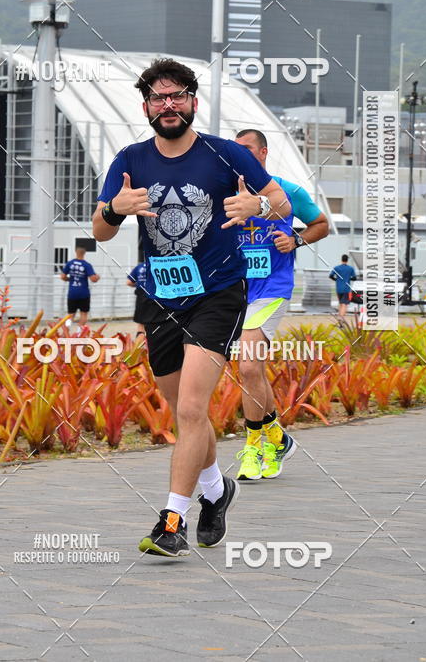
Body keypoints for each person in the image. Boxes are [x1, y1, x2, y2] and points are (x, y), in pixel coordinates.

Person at [92, 57, 290, 557]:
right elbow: (100, 228)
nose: (169, 105)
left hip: (219, 292)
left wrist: (257, 207)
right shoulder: (131, 158)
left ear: (193, 103)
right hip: (160, 294)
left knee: (192, 407)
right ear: (146, 108)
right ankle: (217, 491)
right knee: (182, 413)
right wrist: (116, 208)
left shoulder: (225, 155)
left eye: (178, 95)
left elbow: (281, 201)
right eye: (160, 98)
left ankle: (172, 520)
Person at [233, 129, 329, 481]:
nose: (239, 155)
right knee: (252, 371)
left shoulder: (288, 191)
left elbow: (321, 224)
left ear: (262, 153)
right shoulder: (224, 193)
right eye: (234, 150)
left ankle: (253, 448)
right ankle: (277, 438)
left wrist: (295, 239)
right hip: (235, 293)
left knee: (246, 367)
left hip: (272, 289)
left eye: (246, 150)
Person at [59, 246, 100, 327]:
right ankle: (79, 332)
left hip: (72, 293)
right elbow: (93, 279)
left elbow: (62, 276)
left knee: (70, 315)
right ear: (84, 253)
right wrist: (98, 277)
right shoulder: (86, 265)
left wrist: (69, 279)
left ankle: (67, 332)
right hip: (83, 293)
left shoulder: (69, 263)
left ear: (76, 252)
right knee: (84, 314)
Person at [329, 254, 357, 326]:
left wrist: (337, 280)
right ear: (347, 260)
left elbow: (331, 276)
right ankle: (341, 318)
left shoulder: (336, 268)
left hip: (338, 288)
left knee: (341, 303)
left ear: (341, 259)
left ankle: (340, 316)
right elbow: (354, 278)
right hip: (346, 289)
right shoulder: (350, 268)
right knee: (345, 304)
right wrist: (348, 279)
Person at [127, 260, 148, 338]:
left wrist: (139, 284)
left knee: (141, 324)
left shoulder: (139, 267)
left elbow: (129, 282)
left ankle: (139, 347)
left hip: (141, 296)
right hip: (155, 297)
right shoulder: (158, 265)